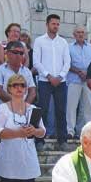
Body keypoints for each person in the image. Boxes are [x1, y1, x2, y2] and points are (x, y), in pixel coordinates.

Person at [33, 13, 71, 151]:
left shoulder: (63, 42)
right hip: (45, 81)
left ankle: (62, 140)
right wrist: (49, 76)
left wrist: (60, 77)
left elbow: (67, 62)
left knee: (61, 111)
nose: (56, 26)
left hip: (61, 82)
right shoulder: (39, 41)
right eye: (53, 23)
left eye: (57, 24)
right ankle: (39, 140)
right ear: (47, 24)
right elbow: (36, 62)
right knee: (42, 110)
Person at [66, 25, 91, 139]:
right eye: (78, 32)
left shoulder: (90, 48)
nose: (80, 34)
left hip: (87, 81)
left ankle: (84, 131)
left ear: (85, 35)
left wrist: (87, 74)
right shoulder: (69, 47)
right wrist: (79, 72)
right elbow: (66, 63)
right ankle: (70, 131)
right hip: (74, 79)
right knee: (71, 106)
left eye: (82, 32)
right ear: (74, 34)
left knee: (87, 107)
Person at [0, 40, 36, 108]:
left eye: (21, 53)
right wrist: (17, 104)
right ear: (7, 53)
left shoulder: (27, 71)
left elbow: (32, 91)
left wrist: (25, 106)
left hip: (24, 110)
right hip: (5, 111)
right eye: (15, 52)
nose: (18, 55)